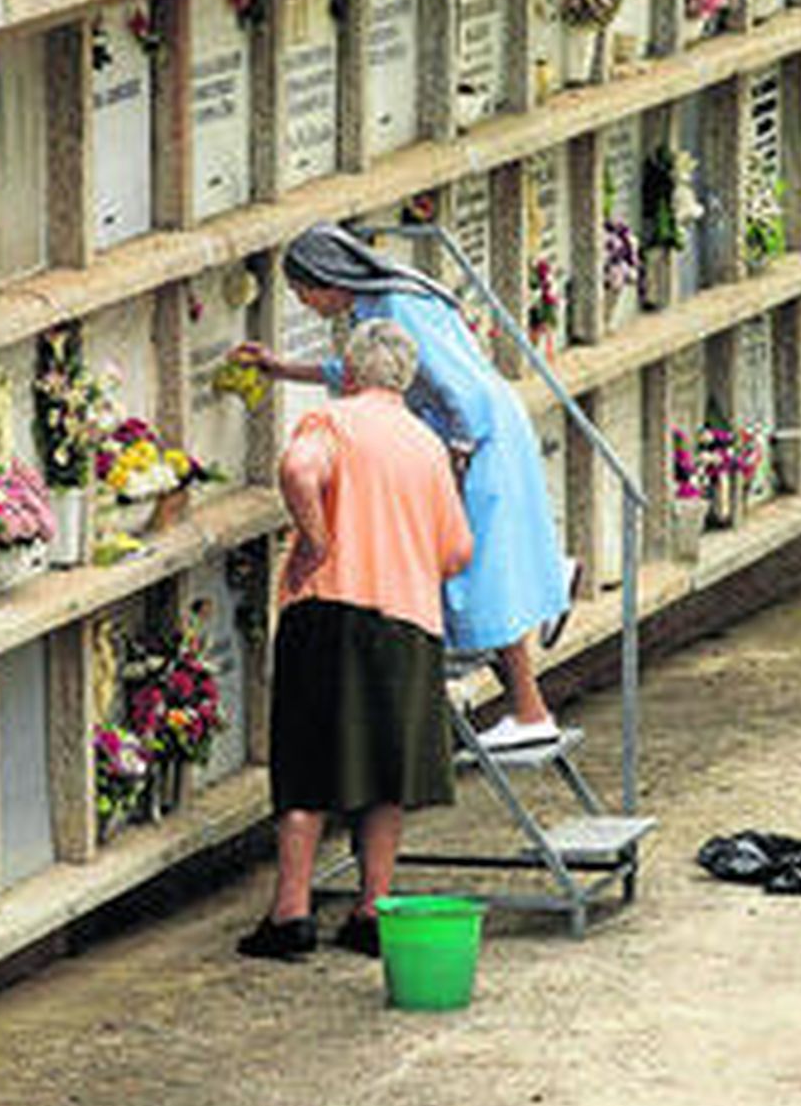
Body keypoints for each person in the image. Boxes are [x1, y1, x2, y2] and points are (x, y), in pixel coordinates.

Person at [232, 221, 577, 751]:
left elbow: (453, 386)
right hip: (490, 427)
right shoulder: (384, 298)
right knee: (486, 568)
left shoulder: (393, 306)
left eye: (303, 291)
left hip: (480, 436)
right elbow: (362, 373)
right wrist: (283, 370)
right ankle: (550, 591)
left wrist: (457, 456)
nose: (304, 303)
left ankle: (530, 711)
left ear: (328, 278)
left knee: (477, 579)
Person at [238, 319, 474, 961]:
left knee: (306, 764)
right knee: (385, 772)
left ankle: (291, 915)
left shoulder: (332, 423)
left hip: (327, 612)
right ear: (406, 379)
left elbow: (297, 469)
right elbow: (457, 551)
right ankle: (372, 910)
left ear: (350, 370)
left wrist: (316, 541)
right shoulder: (427, 445)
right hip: (407, 623)